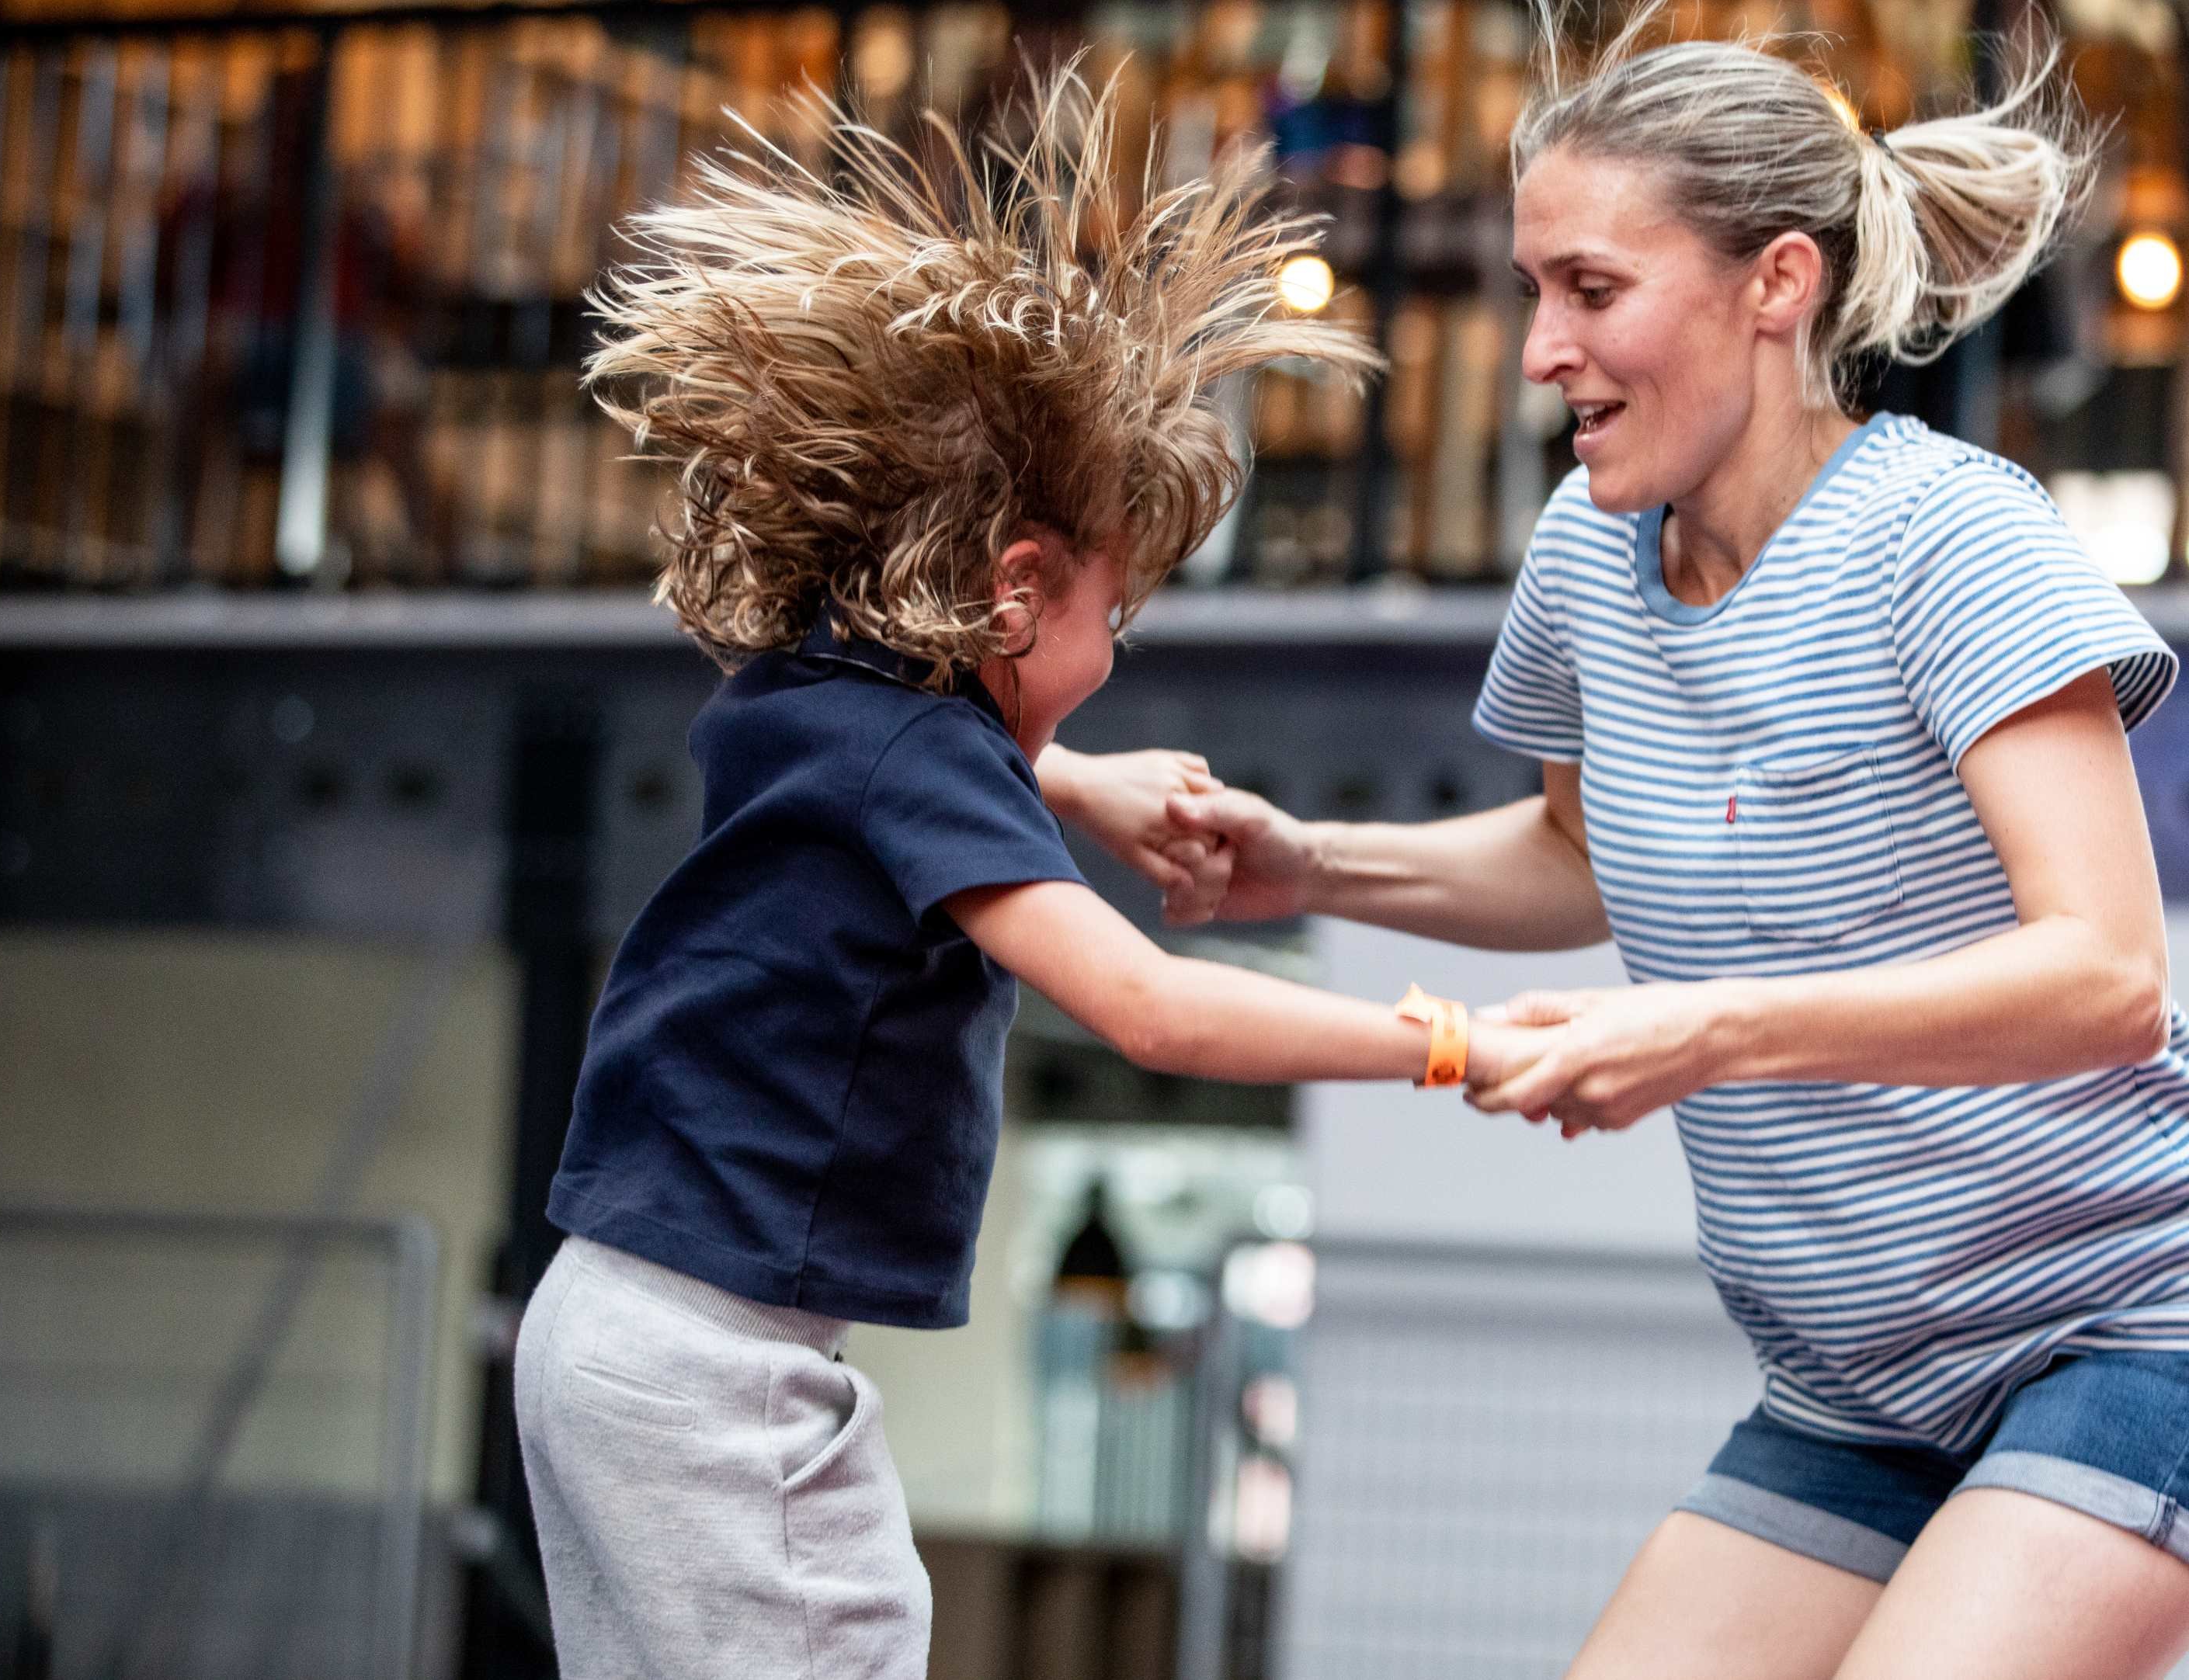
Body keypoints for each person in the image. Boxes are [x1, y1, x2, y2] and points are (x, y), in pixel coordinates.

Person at [1172, 0, 2189, 1679]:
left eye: (1592, 291)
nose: (1538, 352)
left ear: (1774, 286)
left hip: (2145, 1324)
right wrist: (1318, 864)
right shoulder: (1589, 551)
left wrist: (1708, 1029)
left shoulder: (1949, 539)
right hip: (1862, 1376)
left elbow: (2106, 977)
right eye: (1533, 293)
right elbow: (1585, 858)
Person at [510, 89, 1549, 1679]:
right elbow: (1149, 1009)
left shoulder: (810, 692)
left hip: (603, 1328)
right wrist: (1441, 1040)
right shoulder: (916, 757)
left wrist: (1076, 781)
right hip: (719, 1368)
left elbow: (882, 774)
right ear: (1014, 595)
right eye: (1112, 616)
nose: (1116, 656)